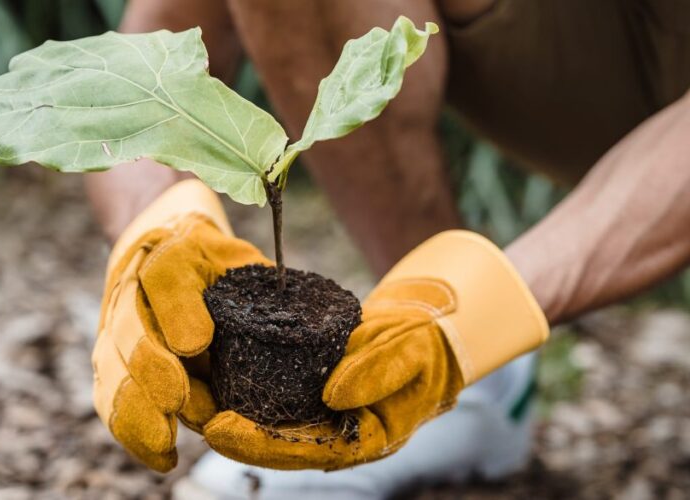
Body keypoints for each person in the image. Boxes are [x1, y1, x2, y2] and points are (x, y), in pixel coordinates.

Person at [86, 0, 690, 498]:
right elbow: (139, 69)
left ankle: (458, 367)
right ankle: (460, 390)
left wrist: (477, 310)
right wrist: (156, 225)